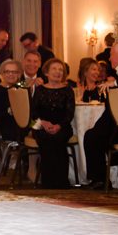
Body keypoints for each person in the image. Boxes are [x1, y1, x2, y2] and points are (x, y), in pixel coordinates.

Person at [84, 42, 118, 189]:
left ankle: (100, 180)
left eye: (112, 54)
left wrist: (113, 83)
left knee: (92, 137)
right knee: (97, 137)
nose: (110, 58)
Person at [31, 58, 75, 189]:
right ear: (46, 72)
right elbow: (33, 114)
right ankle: (48, 181)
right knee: (46, 139)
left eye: (61, 69)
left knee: (58, 139)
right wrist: (43, 123)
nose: (58, 72)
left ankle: (62, 181)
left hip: (63, 125)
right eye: (54, 69)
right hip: (40, 125)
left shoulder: (68, 90)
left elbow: (69, 114)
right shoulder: (39, 90)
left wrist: (58, 126)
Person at [0, 59, 23, 142]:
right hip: (5, 124)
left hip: (23, 124)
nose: (10, 74)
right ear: (2, 74)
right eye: (7, 71)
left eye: (14, 72)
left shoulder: (23, 89)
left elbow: (30, 111)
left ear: (19, 74)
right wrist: (11, 111)